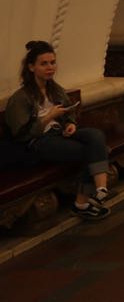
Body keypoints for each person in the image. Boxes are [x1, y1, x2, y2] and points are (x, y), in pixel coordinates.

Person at [5, 40, 112, 220]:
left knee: (96, 135)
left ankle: (101, 189)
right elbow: (21, 134)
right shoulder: (20, 98)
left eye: (52, 62)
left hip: (60, 133)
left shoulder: (54, 89)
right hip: (40, 142)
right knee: (93, 151)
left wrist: (70, 124)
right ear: (31, 67)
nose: (50, 67)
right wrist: (49, 116)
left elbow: (69, 112)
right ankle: (82, 203)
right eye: (44, 64)